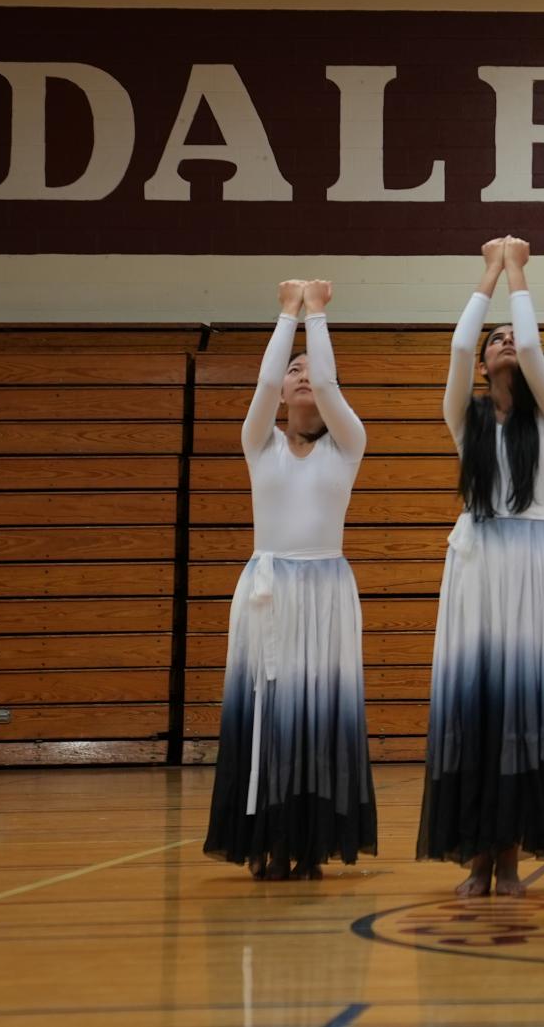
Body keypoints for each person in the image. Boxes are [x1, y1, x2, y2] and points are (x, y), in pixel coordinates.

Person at [417, 237, 544, 896]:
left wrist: (519, 275)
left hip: (532, 560)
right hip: (478, 564)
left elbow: (535, 349)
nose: (506, 341)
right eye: (496, 339)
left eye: (512, 335)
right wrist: (488, 273)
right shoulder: (466, 421)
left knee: (524, 703)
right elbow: (457, 348)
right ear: (483, 364)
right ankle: (478, 853)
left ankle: (511, 854)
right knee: (478, 702)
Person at [204, 279, 377, 879]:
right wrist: (285, 317)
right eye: (293, 370)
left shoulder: (348, 445)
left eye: (311, 369)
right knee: (266, 712)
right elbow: (261, 384)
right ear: (281, 388)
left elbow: (328, 384)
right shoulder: (259, 443)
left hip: (327, 590)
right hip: (268, 588)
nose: (303, 376)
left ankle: (311, 843)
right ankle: (264, 840)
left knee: (318, 715)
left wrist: (317, 315)